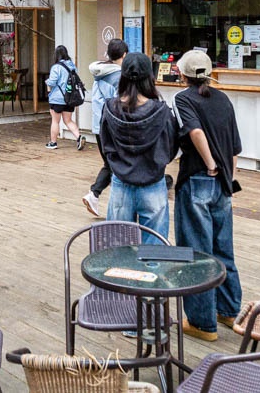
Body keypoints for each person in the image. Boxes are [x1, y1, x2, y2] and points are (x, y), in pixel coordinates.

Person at [172, 49, 243, 342]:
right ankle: (227, 310)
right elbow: (235, 146)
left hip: (199, 179)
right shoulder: (223, 98)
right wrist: (228, 175)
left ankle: (202, 322)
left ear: (183, 74)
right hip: (225, 183)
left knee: (198, 251)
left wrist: (210, 165)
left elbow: (195, 133)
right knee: (223, 248)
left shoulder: (184, 99)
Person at [99, 53, 178, 243]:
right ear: (150, 78)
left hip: (121, 181)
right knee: (154, 252)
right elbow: (171, 147)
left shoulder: (110, 108)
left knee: (118, 250)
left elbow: (104, 144)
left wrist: (116, 164)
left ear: (123, 76)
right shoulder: (162, 112)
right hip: (153, 182)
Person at [81, 38, 128, 216]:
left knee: (110, 163)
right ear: (124, 55)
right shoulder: (118, 78)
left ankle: (94, 194)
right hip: (113, 128)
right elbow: (121, 106)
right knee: (117, 164)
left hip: (99, 127)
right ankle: (103, 198)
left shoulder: (100, 73)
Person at [45, 45, 84, 150]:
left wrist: (46, 82)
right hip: (69, 97)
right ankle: (79, 137)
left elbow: (52, 82)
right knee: (68, 120)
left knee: (55, 121)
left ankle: (53, 143)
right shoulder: (72, 66)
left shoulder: (56, 67)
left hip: (57, 98)